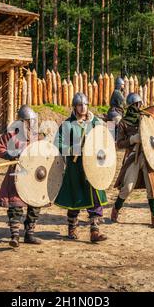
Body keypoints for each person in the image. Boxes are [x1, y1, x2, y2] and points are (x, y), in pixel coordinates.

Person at [55, 93, 108, 242]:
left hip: (93, 166)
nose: (83, 107)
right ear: (74, 106)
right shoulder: (67, 125)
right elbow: (57, 144)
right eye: (80, 105)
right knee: (75, 198)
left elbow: (105, 140)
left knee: (95, 196)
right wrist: (73, 149)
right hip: (75, 167)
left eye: (85, 104)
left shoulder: (95, 123)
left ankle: (94, 230)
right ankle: (72, 227)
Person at [0, 105, 43, 247]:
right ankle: (15, 235)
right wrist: (9, 154)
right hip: (17, 173)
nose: (30, 123)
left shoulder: (36, 136)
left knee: (35, 204)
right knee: (16, 204)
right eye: (28, 121)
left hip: (33, 175)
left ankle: (29, 234)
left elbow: (44, 152)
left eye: (32, 121)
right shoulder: (11, 134)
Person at [111, 93, 154, 228]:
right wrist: (133, 139)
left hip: (148, 157)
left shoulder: (146, 119)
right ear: (131, 105)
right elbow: (120, 144)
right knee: (127, 188)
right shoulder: (123, 122)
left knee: (152, 188)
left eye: (139, 104)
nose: (139, 106)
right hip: (133, 157)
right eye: (136, 104)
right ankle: (116, 209)